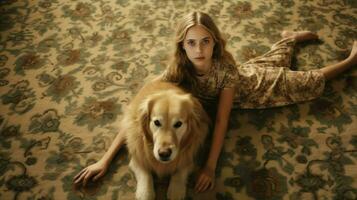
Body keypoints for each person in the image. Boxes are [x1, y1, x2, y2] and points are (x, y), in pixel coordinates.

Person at [74, 11, 357, 193]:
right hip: (245, 74)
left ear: (215, 42)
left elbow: (222, 119)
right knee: (272, 60)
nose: (199, 50)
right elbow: (138, 117)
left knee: (305, 82)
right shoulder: (175, 70)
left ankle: (349, 60)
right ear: (182, 47)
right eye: (192, 43)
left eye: (205, 41)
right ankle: (290, 39)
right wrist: (104, 160)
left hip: (254, 89)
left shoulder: (226, 70)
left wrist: (209, 166)